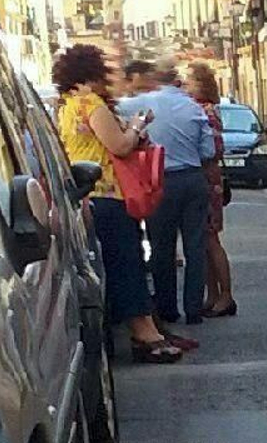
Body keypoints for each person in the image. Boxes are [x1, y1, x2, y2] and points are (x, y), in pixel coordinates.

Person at [54, 44, 182, 363]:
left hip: (85, 195)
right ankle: (144, 333)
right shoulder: (91, 104)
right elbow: (120, 146)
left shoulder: (67, 105)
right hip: (108, 193)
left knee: (106, 265)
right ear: (92, 73)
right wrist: (138, 125)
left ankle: (128, 329)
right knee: (128, 263)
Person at [125, 58, 215, 333]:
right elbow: (208, 152)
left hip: (158, 181)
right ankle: (194, 309)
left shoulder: (139, 104)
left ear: (156, 79)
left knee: (161, 247)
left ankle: (167, 308)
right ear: (178, 81)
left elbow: (113, 113)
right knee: (195, 246)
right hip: (192, 178)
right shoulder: (194, 108)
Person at [188, 62, 236, 319]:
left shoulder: (206, 112)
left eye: (190, 81)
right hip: (205, 177)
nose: (186, 85)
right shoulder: (200, 110)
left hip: (208, 178)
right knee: (203, 240)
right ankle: (213, 294)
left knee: (211, 239)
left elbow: (213, 148)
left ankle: (225, 295)